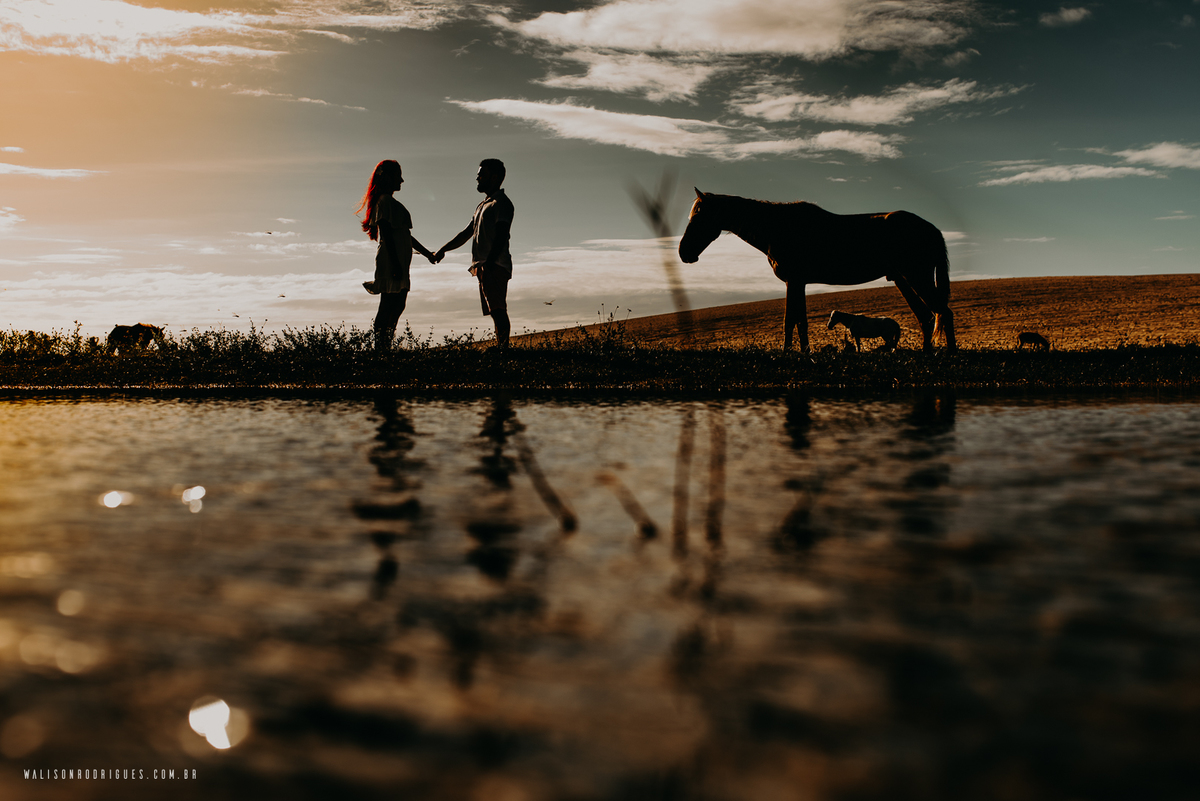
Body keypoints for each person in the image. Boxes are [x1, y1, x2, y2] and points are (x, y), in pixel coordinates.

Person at [433, 159, 514, 348]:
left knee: (498, 309)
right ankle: (501, 348)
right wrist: (443, 250)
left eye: (481, 174)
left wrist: (490, 263)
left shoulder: (502, 203)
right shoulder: (483, 205)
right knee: (495, 309)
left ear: (494, 177)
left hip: (494, 265)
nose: (477, 178)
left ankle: (503, 349)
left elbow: (502, 234)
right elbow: (466, 233)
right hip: (486, 266)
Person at [356, 160, 436, 351]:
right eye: (397, 175)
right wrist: (395, 265)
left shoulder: (390, 203)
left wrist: (427, 254)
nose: (401, 180)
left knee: (397, 304)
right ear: (386, 177)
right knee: (389, 305)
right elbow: (387, 235)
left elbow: (406, 236)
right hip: (392, 261)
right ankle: (381, 349)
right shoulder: (384, 202)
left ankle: (384, 346)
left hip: (398, 262)